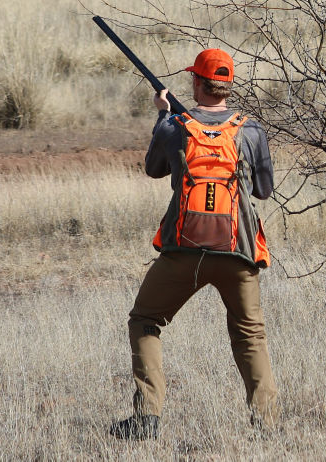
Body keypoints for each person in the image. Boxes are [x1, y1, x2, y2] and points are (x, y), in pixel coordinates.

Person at [109, 49, 278, 441]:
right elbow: (264, 191)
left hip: (183, 250)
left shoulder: (175, 125)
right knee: (250, 335)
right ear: (227, 85)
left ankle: (147, 416)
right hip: (237, 250)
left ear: (196, 83)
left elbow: (153, 169)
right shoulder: (250, 130)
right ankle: (266, 424)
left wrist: (162, 117)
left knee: (144, 321)